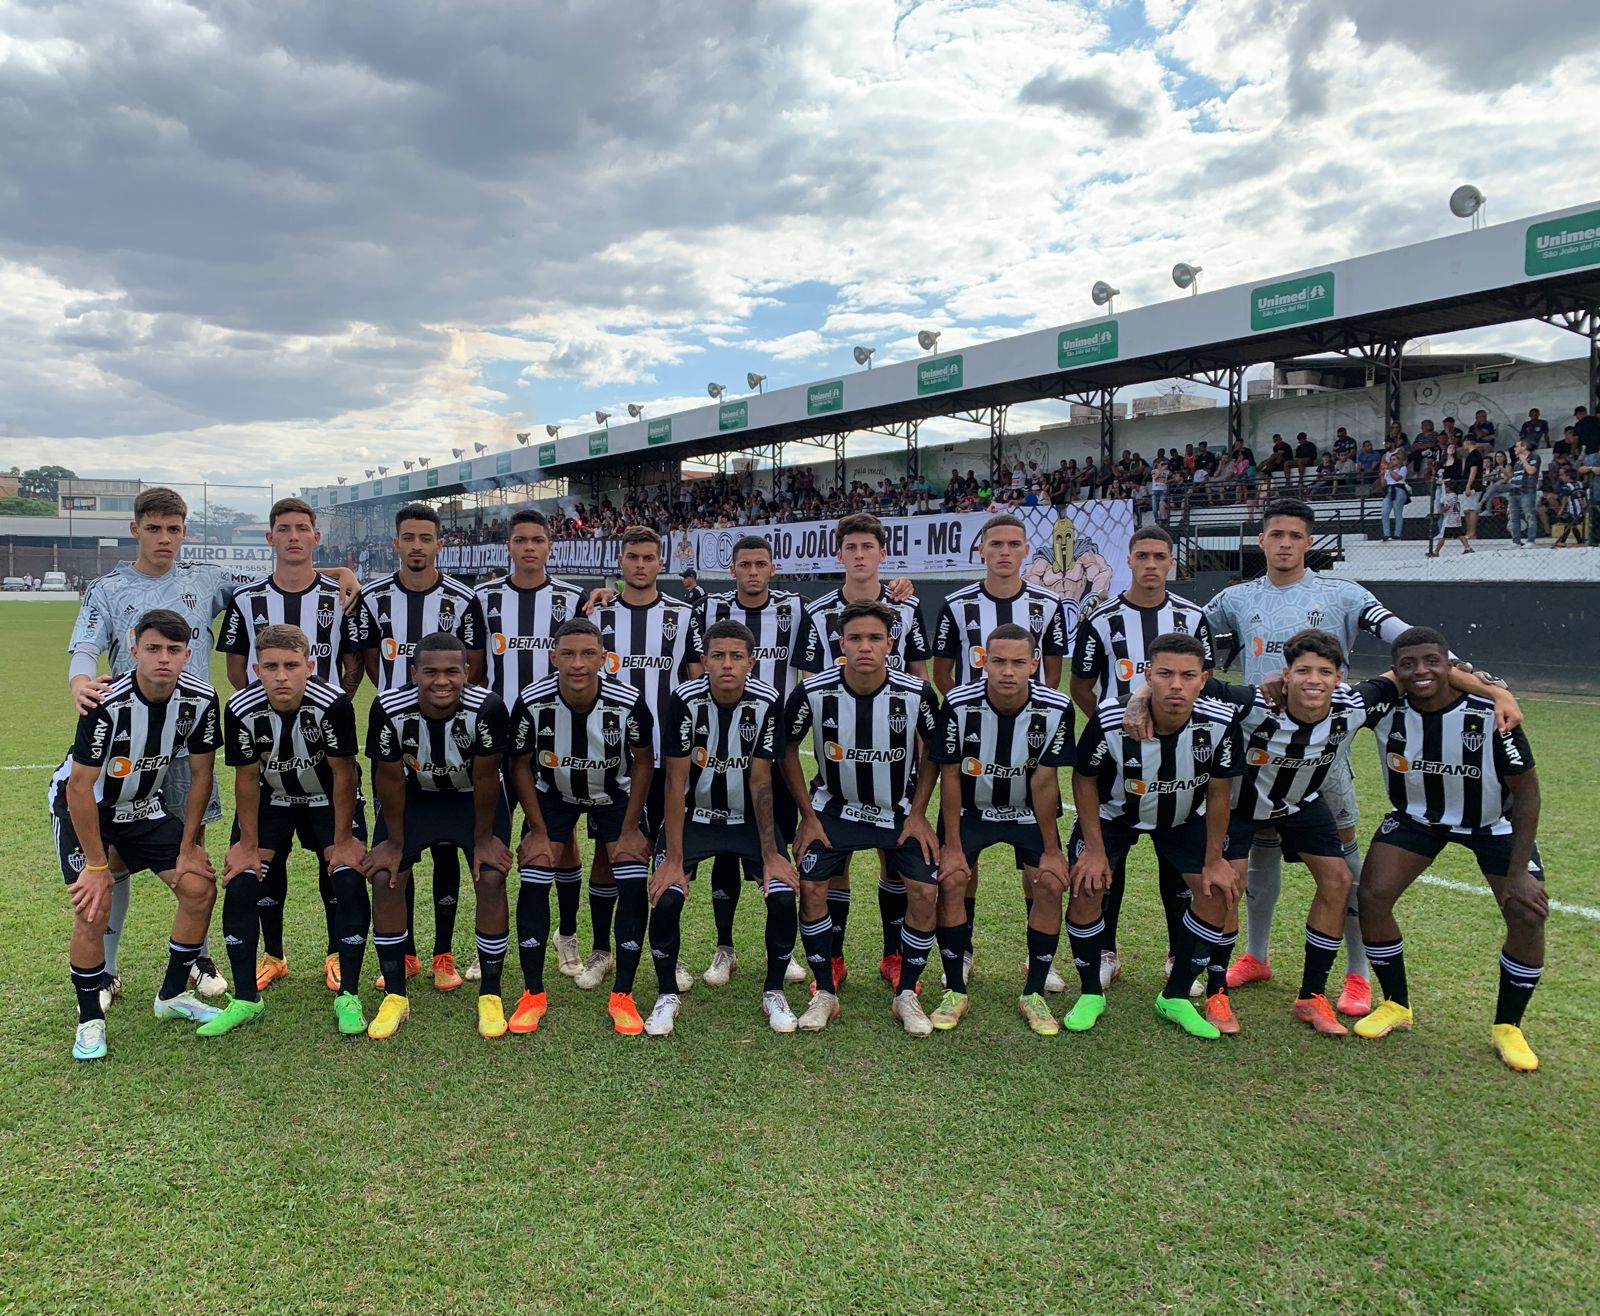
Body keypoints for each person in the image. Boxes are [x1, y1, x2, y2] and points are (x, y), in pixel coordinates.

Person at [67, 487, 358, 1008]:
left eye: (173, 528)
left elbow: (282, 575)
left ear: (184, 532)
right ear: (136, 530)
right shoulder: (106, 587)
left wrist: (338, 573)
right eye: (153, 528)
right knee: (111, 860)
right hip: (128, 740)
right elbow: (86, 645)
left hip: (190, 742)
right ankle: (107, 971)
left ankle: (195, 958)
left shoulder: (205, 578)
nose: (164, 538)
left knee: (193, 857)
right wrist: (80, 682)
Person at [1202, 497, 1452, 1018]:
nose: (1285, 543)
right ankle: (1257, 954)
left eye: (1295, 535)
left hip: (1324, 758)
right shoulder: (1235, 598)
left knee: (1345, 867)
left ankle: (1357, 976)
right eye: (1276, 535)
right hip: (1257, 754)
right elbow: (1185, 643)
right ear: (1262, 541)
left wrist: (1480, 682)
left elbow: (1406, 641)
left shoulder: (1343, 594)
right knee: (1258, 859)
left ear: (1309, 541)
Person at [1353, 627, 1545, 1071]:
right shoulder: (1387, 709)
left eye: (1431, 661)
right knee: (1372, 896)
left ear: (1450, 666)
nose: (1421, 671)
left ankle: (1508, 1027)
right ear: (1396, 672)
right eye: (1408, 664)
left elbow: (1529, 793)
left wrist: (1519, 873)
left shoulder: (1492, 714)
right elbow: (1353, 697)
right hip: (1418, 819)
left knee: (1525, 913)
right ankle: (1396, 1004)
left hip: (1492, 823)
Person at [52, 609, 225, 1061]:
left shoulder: (202, 700)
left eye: (173, 650)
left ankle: (170, 997)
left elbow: (201, 775)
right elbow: (79, 786)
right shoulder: (106, 702)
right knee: (94, 907)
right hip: (86, 809)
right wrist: (95, 866)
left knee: (199, 887)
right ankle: (90, 1018)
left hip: (144, 807)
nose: (163, 659)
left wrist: (189, 849)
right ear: (134, 652)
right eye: (152, 649)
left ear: (188, 654)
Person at [218, 496, 365, 995]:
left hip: (323, 748)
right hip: (269, 756)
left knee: (337, 866)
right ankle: (274, 956)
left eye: (303, 528)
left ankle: (334, 955)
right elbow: (237, 669)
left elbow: (354, 660)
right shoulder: (246, 599)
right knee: (264, 862)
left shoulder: (341, 595)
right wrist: (268, 716)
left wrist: (329, 706)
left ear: (315, 537)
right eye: (285, 529)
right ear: (271, 538)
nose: (294, 536)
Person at [1067, 633, 1243, 1040]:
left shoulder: (1220, 722)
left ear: (1204, 679)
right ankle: (1091, 992)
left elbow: (1219, 794)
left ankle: (1176, 996)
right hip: (1116, 815)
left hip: (1183, 817)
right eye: (1165, 674)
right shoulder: (1113, 719)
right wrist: (1093, 849)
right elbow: (1084, 779)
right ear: (1148, 675)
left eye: (1187, 675)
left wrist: (1215, 859)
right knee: (1086, 885)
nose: (1176, 685)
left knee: (1217, 892)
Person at [781, 601, 945, 1036]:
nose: (865, 647)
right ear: (841, 644)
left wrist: (921, 812)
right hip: (833, 809)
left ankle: (906, 993)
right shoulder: (813, 691)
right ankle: (825, 992)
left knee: (925, 891)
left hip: (900, 813)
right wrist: (808, 816)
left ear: (890, 644)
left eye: (875, 638)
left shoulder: (916, 693)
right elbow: (784, 750)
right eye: (855, 638)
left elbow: (935, 751)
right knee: (812, 885)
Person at [349, 503, 487, 992]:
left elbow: (474, 667)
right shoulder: (372, 599)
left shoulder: (464, 600)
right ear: (396, 543)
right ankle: (404, 952)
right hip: (396, 740)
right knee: (396, 847)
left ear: (438, 544)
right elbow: (367, 660)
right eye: (408, 537)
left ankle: (443, 954)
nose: (416, 546)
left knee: (449, 849)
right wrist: (397, 704)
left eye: (425, 538)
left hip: (450, 744)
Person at [1071, 525, 1215, 992]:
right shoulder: (1101, 618)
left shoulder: (1193, 617)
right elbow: (1081, 686)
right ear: (1129, 561)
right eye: (1142, 556)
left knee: (1178, 860)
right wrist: (1118, 731)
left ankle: (1179, 956)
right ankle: (1106, 951)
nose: (1151, 565)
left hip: (1181, 757)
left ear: (1171, 561)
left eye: (1160, 556)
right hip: (1117, 762)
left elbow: (1205, 683)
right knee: (1103, 861)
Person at [798, 513, 930, 991]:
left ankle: (894, 955)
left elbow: (920, 677)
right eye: (850, 547)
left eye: (867, 547)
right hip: (841, 766)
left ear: (880, 554)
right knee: (838, 862)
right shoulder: (817, 615)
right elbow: (811, 688)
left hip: (896, 764)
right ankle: (832, 957)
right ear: (839, 555)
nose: (858, 555)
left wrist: (918, 752)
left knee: (895, 859)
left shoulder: (908, 607)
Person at [216, 625, 369, 1036]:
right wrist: (248, 845)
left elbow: (343, 774)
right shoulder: (240, 708)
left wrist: (341, 841)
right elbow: (246, 779)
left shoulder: (333, 704)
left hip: (327, 799)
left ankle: (347, 991)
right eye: (271, 667)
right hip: (272, 800)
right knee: (244, 882)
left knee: (347, 878)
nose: (281, 675)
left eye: (291, 665)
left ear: (309, 666)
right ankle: (248, 996)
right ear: (256, 669)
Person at [506, 619, 656, 1035]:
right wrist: (536, 828)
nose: (577, 663)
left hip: (613, 797)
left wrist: (629, 828)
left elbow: (644, 761)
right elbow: (518, 764)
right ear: (553, 657)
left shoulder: (628, 702)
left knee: (629, 878)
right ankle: (533, 994)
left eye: (588, 654)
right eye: (567, 654)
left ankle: (622, 994)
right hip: (553, 796)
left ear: (603, 659)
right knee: (535, 877)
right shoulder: (532, 701)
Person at [648, 620, 797, 1035]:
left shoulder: (767, 700)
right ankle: (665, 996)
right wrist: (674, 859)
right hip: (695, 818)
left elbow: (761, 778)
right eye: (718, 656)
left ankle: (773, 991)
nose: (726, 664)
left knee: (783, 897)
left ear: (752, 661)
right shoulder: (684, 698)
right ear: (704, 661)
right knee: (666, 898)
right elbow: (675, 780)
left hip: (746, 820)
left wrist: (771, 855)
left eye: (736, 656)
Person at [363, 633, 512, 1040]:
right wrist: (394, 843)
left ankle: (491, 992)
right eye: (430, 672)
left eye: (451, 671)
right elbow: (389, 777)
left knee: (492, 876)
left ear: (467, 672)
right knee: (385, 876)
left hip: (472, 799)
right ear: (414, 674)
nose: (441, 681)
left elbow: (486, 776)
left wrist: (483, 839)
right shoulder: (389, 709)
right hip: (417, 797)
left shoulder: (487, 708)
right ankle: (395, 993)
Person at [934, 624, 1075, 1035]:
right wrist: (954, 847)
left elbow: (1045, 781)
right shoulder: (959, 704)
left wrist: (1052, 850)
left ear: (1034, 664)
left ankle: (1034, 991)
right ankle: (955, 988)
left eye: (1018, 662)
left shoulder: (1056, 707)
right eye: (998, 661)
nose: (1008, 671)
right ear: (983, 662)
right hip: (972, 811)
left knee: (1049, 882)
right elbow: (952, 776)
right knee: (953, 878)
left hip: (1027, 812)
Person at [585, 526, 704, 992]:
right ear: (620, 561)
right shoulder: (599, 612)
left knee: (666, 853)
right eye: (632, 557)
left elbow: (696, 681)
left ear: (661, 563)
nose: (640, 565)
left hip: (668, 755)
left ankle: (665, 954)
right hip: (610, 756)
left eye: (648, 557)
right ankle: (600, 950)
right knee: (607, 850)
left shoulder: (682, 614)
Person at [472, 510, 587, 982]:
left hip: (556, 732)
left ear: (550, 545)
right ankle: (488, 943)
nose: (529, 548)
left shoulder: (573, 597)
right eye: (520, 540)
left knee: (563, 837)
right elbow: (476, 667)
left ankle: (566, 932)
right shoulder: (485, 597)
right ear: (509, 546)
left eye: (537, 540)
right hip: (501, 731)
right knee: (497, 835)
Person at [698, 536, 809, 989]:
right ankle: (724, 947)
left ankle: (779, 947)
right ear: (732, 569)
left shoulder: (796, 609)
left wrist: (899, 588)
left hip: (774, 750)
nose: (753, 572)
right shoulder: (708, 608)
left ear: (773, 568)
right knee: (724, 848)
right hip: (721, 747)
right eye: (744, 564)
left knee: (775, 846)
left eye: (760, 564)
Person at [1506, 439, 1542, 547]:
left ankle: (1531, 540)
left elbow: (1531, 471)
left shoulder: (1534, 457)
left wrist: (1524, 460)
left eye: (1517, 446)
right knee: (1514, 517)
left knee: (1529, 515)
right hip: (1515, 491)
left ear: (1524, 446)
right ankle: (1516, 541)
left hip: (1527, 490)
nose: (1515, 449)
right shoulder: (1517, 461)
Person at [1428, 481, 1471, 556]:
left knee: (1442, 535)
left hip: (1449, 520)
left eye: (1446, 487)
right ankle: (1468, 548)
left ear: (1449, 488)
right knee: (1460, 534)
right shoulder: (1455, 496)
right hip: (1456, 518)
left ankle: (1436, 552)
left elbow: (1447, 507)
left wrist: (1439, 513)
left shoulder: (1450, 496)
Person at [1378, 449, 1409, 542]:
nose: (1392, 461)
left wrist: (1390, 470)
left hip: (1399, 489)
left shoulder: (1403, 469)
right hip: (1389, 489)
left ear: (1399, 460)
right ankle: (1386, 534)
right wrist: (1382, 475)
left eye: (1394, 459)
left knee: (1397, 512)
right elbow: (1384, 484)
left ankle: (1397, 534)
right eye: (1391, 459)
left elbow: (1397, 478)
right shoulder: (1388, 471)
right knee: (1384, 511)